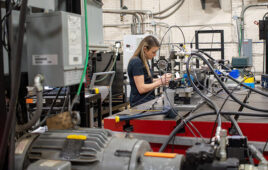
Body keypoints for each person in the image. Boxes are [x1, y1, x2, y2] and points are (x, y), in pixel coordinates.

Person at [127, 35, 171, 107]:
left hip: (147, 102)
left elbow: (147, 80)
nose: (155, 55)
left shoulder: (144, 61)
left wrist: (161, 78)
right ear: (145, 49)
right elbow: (141, 88)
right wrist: (160, 82)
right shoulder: (136, 62)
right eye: (153, 52)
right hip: (140, 104)